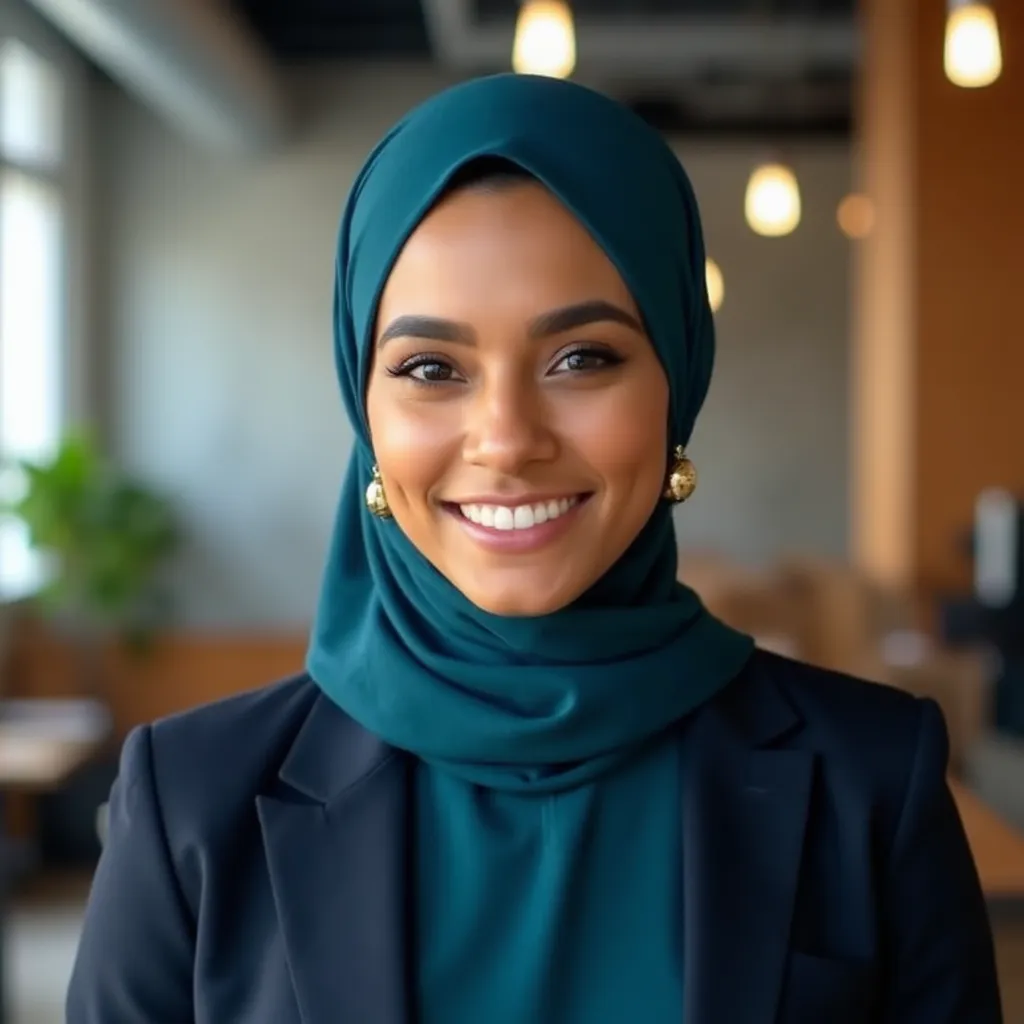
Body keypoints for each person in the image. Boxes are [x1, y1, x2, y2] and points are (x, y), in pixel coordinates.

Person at [66, 74, 1001, 1024]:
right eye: (431, 369)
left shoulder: (875, 779)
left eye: (582, 358)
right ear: (365, 412)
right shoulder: (191, 802)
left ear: (677, 380)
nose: (507, 439)